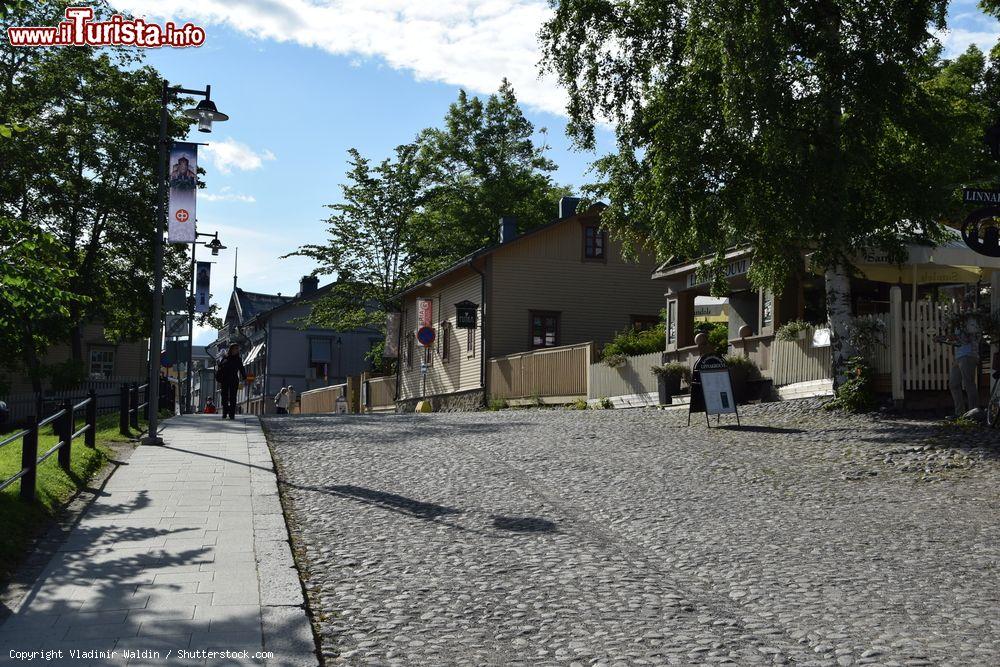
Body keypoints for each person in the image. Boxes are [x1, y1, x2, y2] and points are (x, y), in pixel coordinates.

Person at [942, 300, 982, 418]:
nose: (963, 309)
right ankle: (959, 413)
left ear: (970, 308)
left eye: (965, 307)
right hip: (959, 356)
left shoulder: (973, 322)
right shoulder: (959, 322)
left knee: (969, 384)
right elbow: (957, 341)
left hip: (969, 355)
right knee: (954, 384)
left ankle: (973, 413)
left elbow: (969, 338)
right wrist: (945, 338)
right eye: (962, 307)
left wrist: (952, 337)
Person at [215, 344, 245, 420]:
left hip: (234, 380)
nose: (237, 350)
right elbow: (220, 368)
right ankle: (225, 412)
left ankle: (232, 414)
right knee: (224, 397)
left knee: (233, 397)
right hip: (224, 380)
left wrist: (244, 376)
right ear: (231, 349)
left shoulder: (238, 359)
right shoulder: (226, 358)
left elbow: (241, 368)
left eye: (237, 349)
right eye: (235, 348)